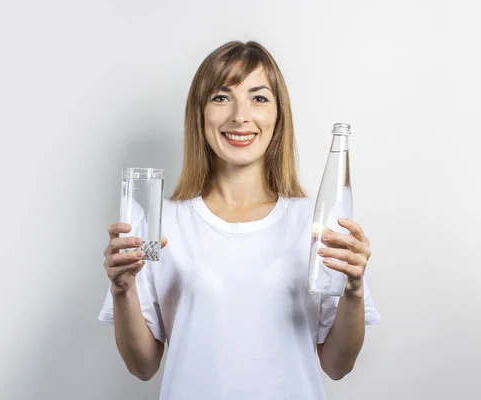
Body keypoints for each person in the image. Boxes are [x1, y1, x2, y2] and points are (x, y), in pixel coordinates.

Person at [98, 40, 381, 399]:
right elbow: (143, 366)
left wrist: (354, 290)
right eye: (221, 97)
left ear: (279, 117)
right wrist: (122, 290)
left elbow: (338, 365)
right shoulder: (159, 223)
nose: (239, 116)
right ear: (199, 114)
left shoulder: (315, 222)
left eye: (258, 98)